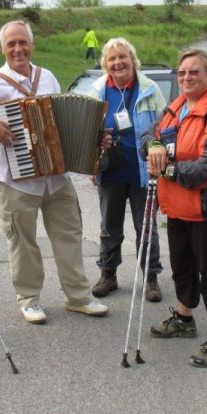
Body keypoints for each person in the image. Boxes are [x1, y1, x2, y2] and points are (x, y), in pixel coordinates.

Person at [0, 20, 108, 324]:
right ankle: (29, 299)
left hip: (56, 177)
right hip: (16, 180)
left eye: (22, 42)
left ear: (31, 45)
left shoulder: (47, 77)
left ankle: (77, 296)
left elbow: (61, 120)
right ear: (2, 48)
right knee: (22, 241)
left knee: (69, 235)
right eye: (11, 44)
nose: (17, 49)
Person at [141, 48, 207, 368]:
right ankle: (185, 319)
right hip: (178, 208)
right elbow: (148, 135)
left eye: (194, 72)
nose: (186, 77)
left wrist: (166, 170)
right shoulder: (174, 109)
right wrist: (154, 145)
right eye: (182, 72)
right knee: (182, 268)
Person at [87, 37, 167, 302]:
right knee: (109, 228)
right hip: (110, 172)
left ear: (133, 60)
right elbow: (86, 132)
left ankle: (151, 278)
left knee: (146, 228)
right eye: (112, 59)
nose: (117, 62)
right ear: (105, 64)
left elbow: (164, 128)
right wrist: (93, 156)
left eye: (122, 57)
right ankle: (108, 275)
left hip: (143, 173)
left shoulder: (150, 89)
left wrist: (159, 156)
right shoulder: (97, 90)